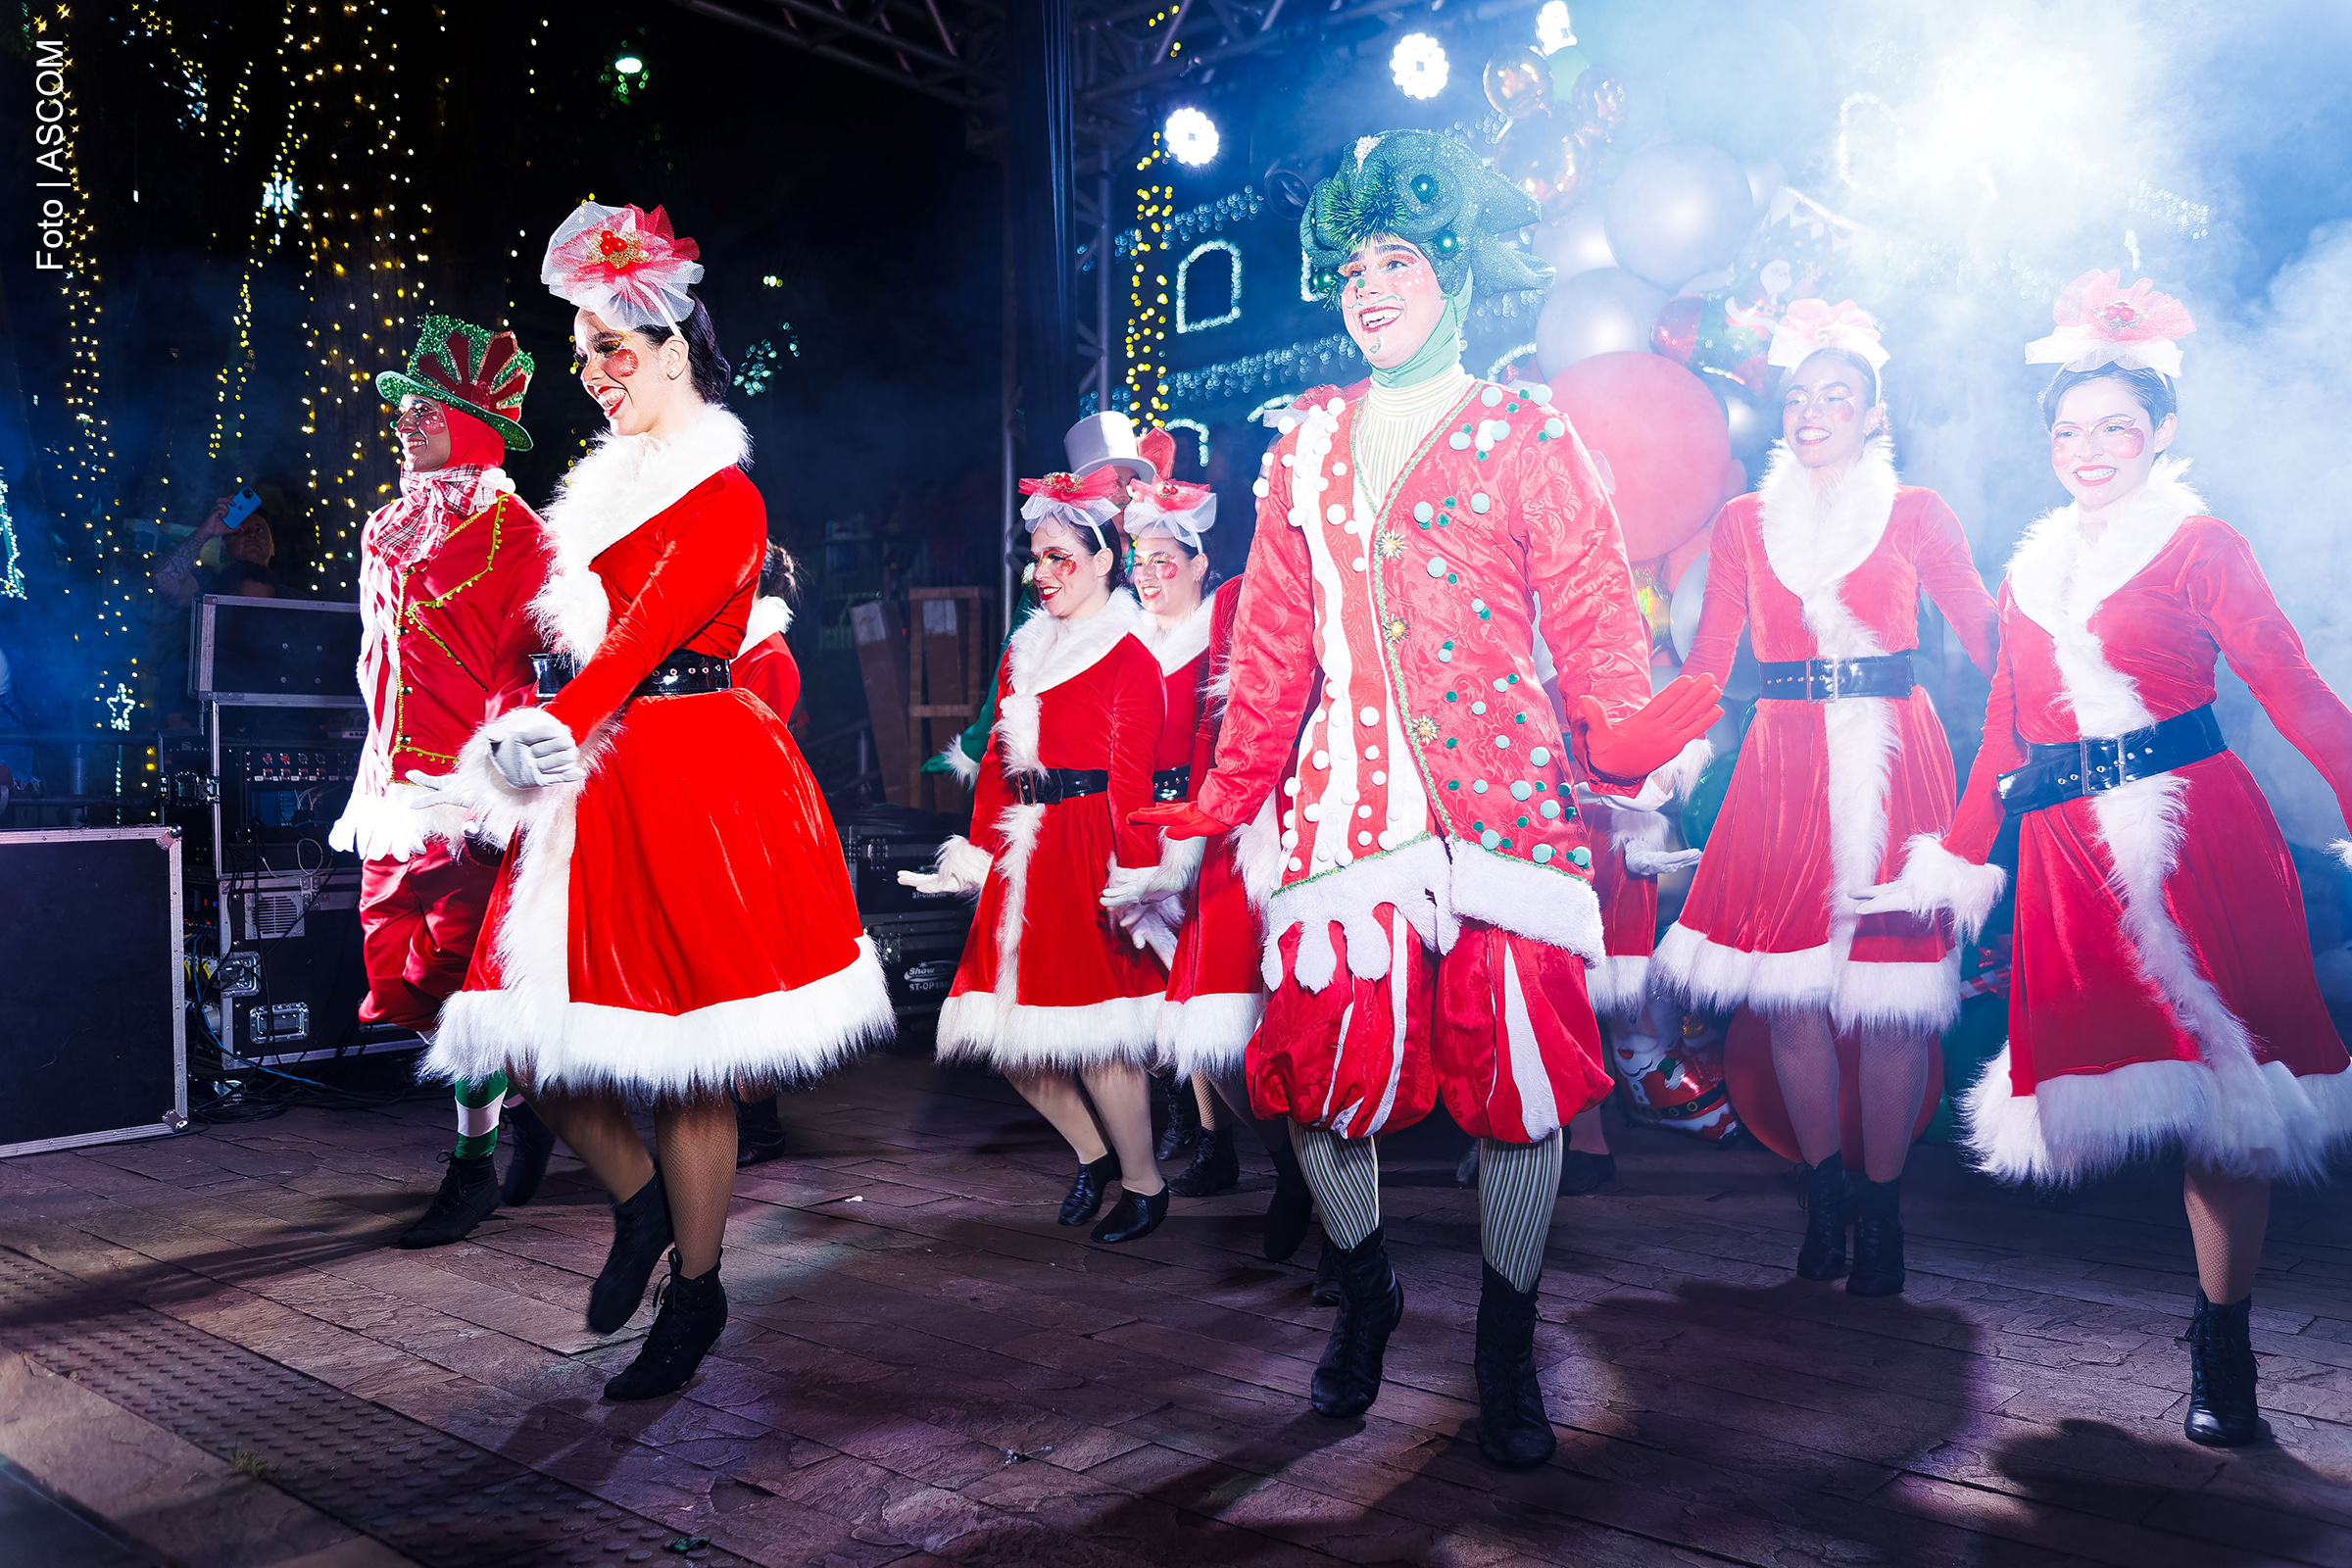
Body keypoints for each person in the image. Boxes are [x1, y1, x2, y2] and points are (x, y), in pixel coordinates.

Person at [1128, 129, 1718, 1469]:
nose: (1369, 284)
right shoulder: (1307, 444)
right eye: (1350, 266)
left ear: (1455, 275)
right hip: (1348, 816)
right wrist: (1221, 801)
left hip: (1506, 812)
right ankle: (1369, 1293)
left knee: (1522, 1088)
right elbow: (1269, 649)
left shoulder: (1525, 426)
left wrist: (1627, 735)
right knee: (1322, 1085)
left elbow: (1587, 607)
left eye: (1398, 259)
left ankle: (1505, 1349)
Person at [1857, 270, 2352, 1445]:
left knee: (2233, 1103)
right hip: (2072, 857)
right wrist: (1960, 858)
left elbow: (2289, 687)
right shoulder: (2027, 570)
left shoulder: (2199, 542)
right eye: (2070, 430)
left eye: (2116, 426)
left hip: (2198, 838)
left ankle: (2219, 1349)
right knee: (2149, 1087)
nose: (2090, 449)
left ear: (2161, 431)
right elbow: (2000, 736)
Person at [417, 201, 893, 1400]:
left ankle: (701, 1282)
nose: (592, 376)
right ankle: (639, 1213)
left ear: (677, 345)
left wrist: (543, 735)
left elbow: (633, 646)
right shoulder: (603, 486)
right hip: (595, 771)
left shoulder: (725, 494)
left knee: (687, 1061)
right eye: (581, 356)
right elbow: (571, 643)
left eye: (611, 351)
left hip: (686, 770)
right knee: (528, 1038)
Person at [1651, 301, 1998, 1297]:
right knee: (1796, 1003)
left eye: (1835, 396)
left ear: (1873, 411)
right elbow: (1710, 662)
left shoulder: (1918, 511)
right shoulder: (1742, 523)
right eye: (1797, 396)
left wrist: (2074, 688)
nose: (1811, 412)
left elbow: (1985, 634)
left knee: (1890, 1008)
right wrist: (1651, 746)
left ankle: (1882, 1217)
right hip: (1784, 762)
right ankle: (1827, 1196)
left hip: (1894, 754)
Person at [331, 316, 561, 1249]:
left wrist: (518, 770)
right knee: (399, 984)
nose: (405, 421)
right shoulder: (384, 528)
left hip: (472, 800)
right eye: (403, 407)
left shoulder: (522, 533)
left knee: (466, 984)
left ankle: (471, 1168)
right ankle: (528, 1103)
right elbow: (370, 659)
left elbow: (565, 661)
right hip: (389, 794)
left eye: (425, 409)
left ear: (471, 423)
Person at [901, 467, 1174, 1244]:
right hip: (1022, 853)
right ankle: (1092, 1156)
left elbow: (1132, 785)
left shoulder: (1129, 660)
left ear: (1102, 561)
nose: (1045, 574)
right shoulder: (1024, 652)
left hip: (1086, 854)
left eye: (1061, 558)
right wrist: (976, 853)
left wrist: (1134, 878)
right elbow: (995, 762)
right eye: (1037, 559)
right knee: (1007, 1040)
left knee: (1095, 1041)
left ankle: (1145, 1185)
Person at [732, 540, 805, 1169]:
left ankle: (760, 1126)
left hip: (750, 825)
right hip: (721, 818)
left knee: (750, 977)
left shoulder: (767, 656)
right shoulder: (731, 650)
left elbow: (756, 755)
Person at [152, 496, 280, 602]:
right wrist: (206, 531)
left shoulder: (292, 597)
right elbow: (163, 578)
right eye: (240, 530)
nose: (251, 534)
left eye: (259, 530)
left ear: (272, 546)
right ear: (224, 544)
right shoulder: (207, 584)